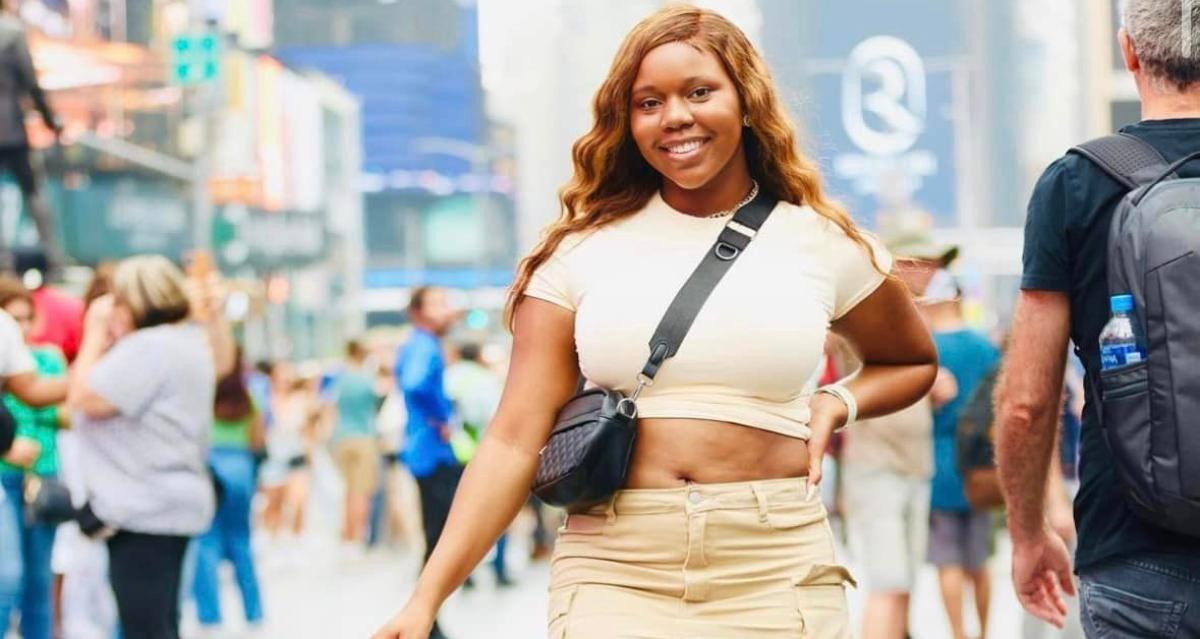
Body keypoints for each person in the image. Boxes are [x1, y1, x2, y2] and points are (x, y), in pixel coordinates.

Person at [372, 6, 937, 638]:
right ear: (628, 121)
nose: (675, 116)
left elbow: (910, 361)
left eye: (700, 92)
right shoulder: (578, 253)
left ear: (746, 102)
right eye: (649, 102)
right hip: (616, 565)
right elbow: (510, 439)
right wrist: (427, 598)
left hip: (772, 565)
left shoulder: (822, 242)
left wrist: (836, 403)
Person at [996, 0, 1200, 633]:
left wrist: (1029, 533)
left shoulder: (1076, 183)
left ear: (1129, 51)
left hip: (1136, 554)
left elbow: (1027, 402)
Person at [66, 255, 220, 639]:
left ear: (137, 300)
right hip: (169, 503)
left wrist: (92, 334)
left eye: (117, 301)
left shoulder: (149, 348)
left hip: (143, 508)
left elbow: (83, 397)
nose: (111, 310)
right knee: (162, 621)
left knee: (145, 627)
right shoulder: (184, 341)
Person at [839, 228, 952, 639]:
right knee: (887, 584)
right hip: (877, 466)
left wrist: (932, 385)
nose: (933, 272)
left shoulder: (918, 316)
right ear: (901, 263)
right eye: (926, 263)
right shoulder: (867, 306)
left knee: (903, 584)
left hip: (914, 465)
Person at [923, 270, 999, 639]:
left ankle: (958, 634)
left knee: (947, 559)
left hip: (938, 461)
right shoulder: (985, 346)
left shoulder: (926, 349)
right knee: (979, 561)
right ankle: (984, 632)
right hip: (980, 465)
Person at [393, 286, 463, 639]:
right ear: (418, 312)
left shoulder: (417, 344)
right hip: (432, 453)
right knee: (437, 537)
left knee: (436, 535)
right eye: (438, 303)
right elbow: (416, 384)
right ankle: (427, 617)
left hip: (427, 451)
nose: (447, 309)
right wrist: (442, 419)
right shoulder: (424, 345)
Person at [0, 276, 67, 639]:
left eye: (28, 317)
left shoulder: (45, 359)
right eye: (15, 316)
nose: (22, 326)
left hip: (40, 476)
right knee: (7, 576)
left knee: (36, 580)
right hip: (6, 476)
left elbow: (50, 401)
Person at [191, 355, 265, 633]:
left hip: (210, 469)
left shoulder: (203, 398)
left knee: (206, 543)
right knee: (242, 542)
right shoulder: (250, 398)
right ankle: (253, 613)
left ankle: (210, 617)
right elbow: (258, 439)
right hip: (241, 469)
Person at [0, 0, 64, 275]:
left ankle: (3, 264)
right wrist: (51, 122)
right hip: (11, 129)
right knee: (34, 192)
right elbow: (30, 83)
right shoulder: (12, 30)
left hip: (11, 128)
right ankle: (53, 260)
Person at [444, 341, 511, 587]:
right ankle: (499, 568)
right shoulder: (485, 379)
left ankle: (463, 574)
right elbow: (495, 416)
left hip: (453, 452)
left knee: (458, 515)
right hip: (484, 454)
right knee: (496, 511)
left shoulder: (448, 376)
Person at [330, 339, 384, 549]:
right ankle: (358, 537)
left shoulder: (340, 378)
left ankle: (347, 535)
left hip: (341, 437)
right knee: (362, 492)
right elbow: (377, 402)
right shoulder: (366, 379)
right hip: (364, 437)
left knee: (348, 490)